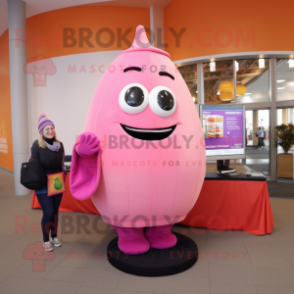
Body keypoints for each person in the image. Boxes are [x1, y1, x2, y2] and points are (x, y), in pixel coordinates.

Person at [29, 114, 66, 252]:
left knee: (55, 212)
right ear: (41, 132)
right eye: (47, 129)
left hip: (56, 182)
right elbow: (33, 166)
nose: (50, 131)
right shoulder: (37, 145)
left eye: (52, 128)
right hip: (42, 183)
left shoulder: (59, 145)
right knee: (48, 211)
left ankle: (54, 237)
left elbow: (61, 163)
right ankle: (45, 239)